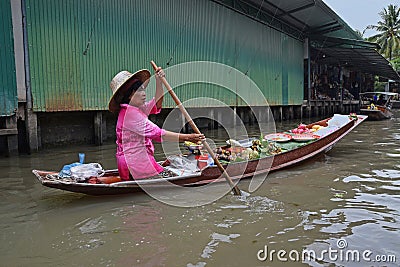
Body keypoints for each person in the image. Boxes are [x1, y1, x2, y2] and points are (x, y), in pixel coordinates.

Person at [109, 68, 205, 180]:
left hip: (135, 162)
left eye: (144, 90)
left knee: (172, 170)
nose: (144, 94)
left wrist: (159, 82)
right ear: (130, 95)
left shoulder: (135, 109)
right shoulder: (130, 114)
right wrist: (188, 137)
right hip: (137, 164)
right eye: (139, 91)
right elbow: (159, 134)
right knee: (173, 177)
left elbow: (157, 104)